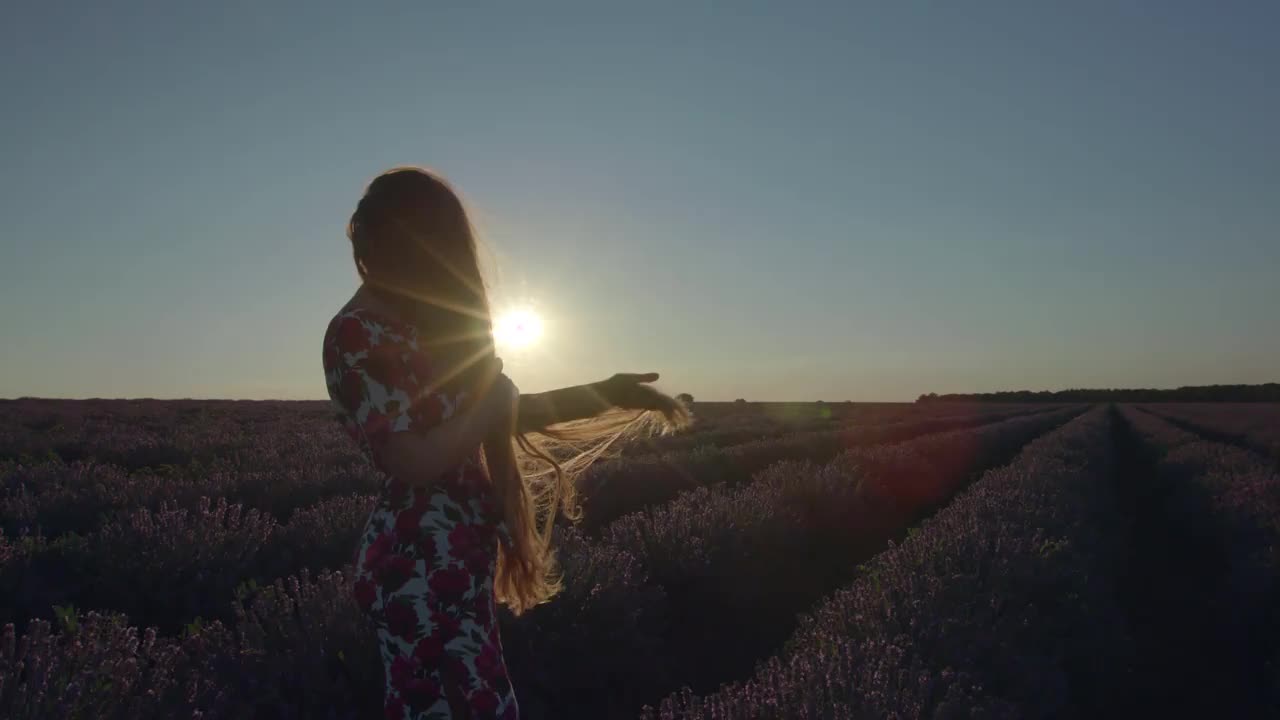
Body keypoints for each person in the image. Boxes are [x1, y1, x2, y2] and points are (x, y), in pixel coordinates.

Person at [321, 167, 687, 719]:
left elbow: (499, 411)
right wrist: (489, 408)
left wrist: (605, 395)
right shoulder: (357, 332)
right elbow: (411, 459)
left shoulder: (410, 328)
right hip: (415, 567)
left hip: (450, 560)